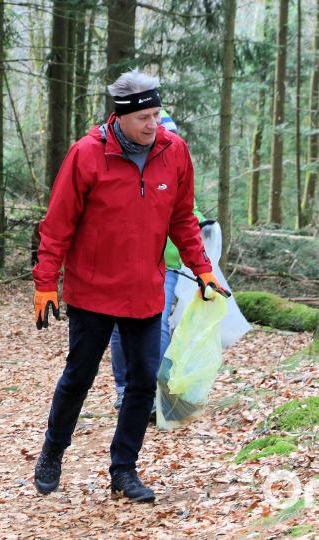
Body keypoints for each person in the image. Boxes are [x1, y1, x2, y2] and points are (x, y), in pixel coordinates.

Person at [31, 70, 225, 503]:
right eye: (145, 117)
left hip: (144, 290)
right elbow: (57, 226)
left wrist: (202, 268)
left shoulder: (174, 152)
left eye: (157, 114)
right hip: (92, 290)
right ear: (121, 117)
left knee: (142, 382)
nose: (153, 124)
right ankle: (53, 450)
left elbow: (182, 219)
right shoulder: (86, 155)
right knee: (78, 377)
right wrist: (46, 284)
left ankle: (124, 469)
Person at [110, 109, 197, 412]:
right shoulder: (126, 166)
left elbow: (186, 212)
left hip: (168, 262)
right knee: (121, 326)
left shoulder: (175, 162)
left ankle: (151, 390)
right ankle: (124, 387)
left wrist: (203, 230)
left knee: (159, 324)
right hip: (124, 264)